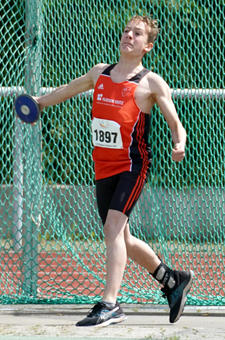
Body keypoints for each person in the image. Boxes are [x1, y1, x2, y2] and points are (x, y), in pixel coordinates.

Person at [31, 15, 193, 327]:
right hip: (103, 166)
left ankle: (110, 304)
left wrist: (179, 143)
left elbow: (175, 122)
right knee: (123, 238)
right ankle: (171, 280)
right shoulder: (100, 73)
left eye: (137, 33)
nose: (129, 36)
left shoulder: (150, 82)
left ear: (147, 46)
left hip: (132, 167)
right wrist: (39, 102)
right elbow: (68, 88)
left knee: (112, 230)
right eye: (126, 31)